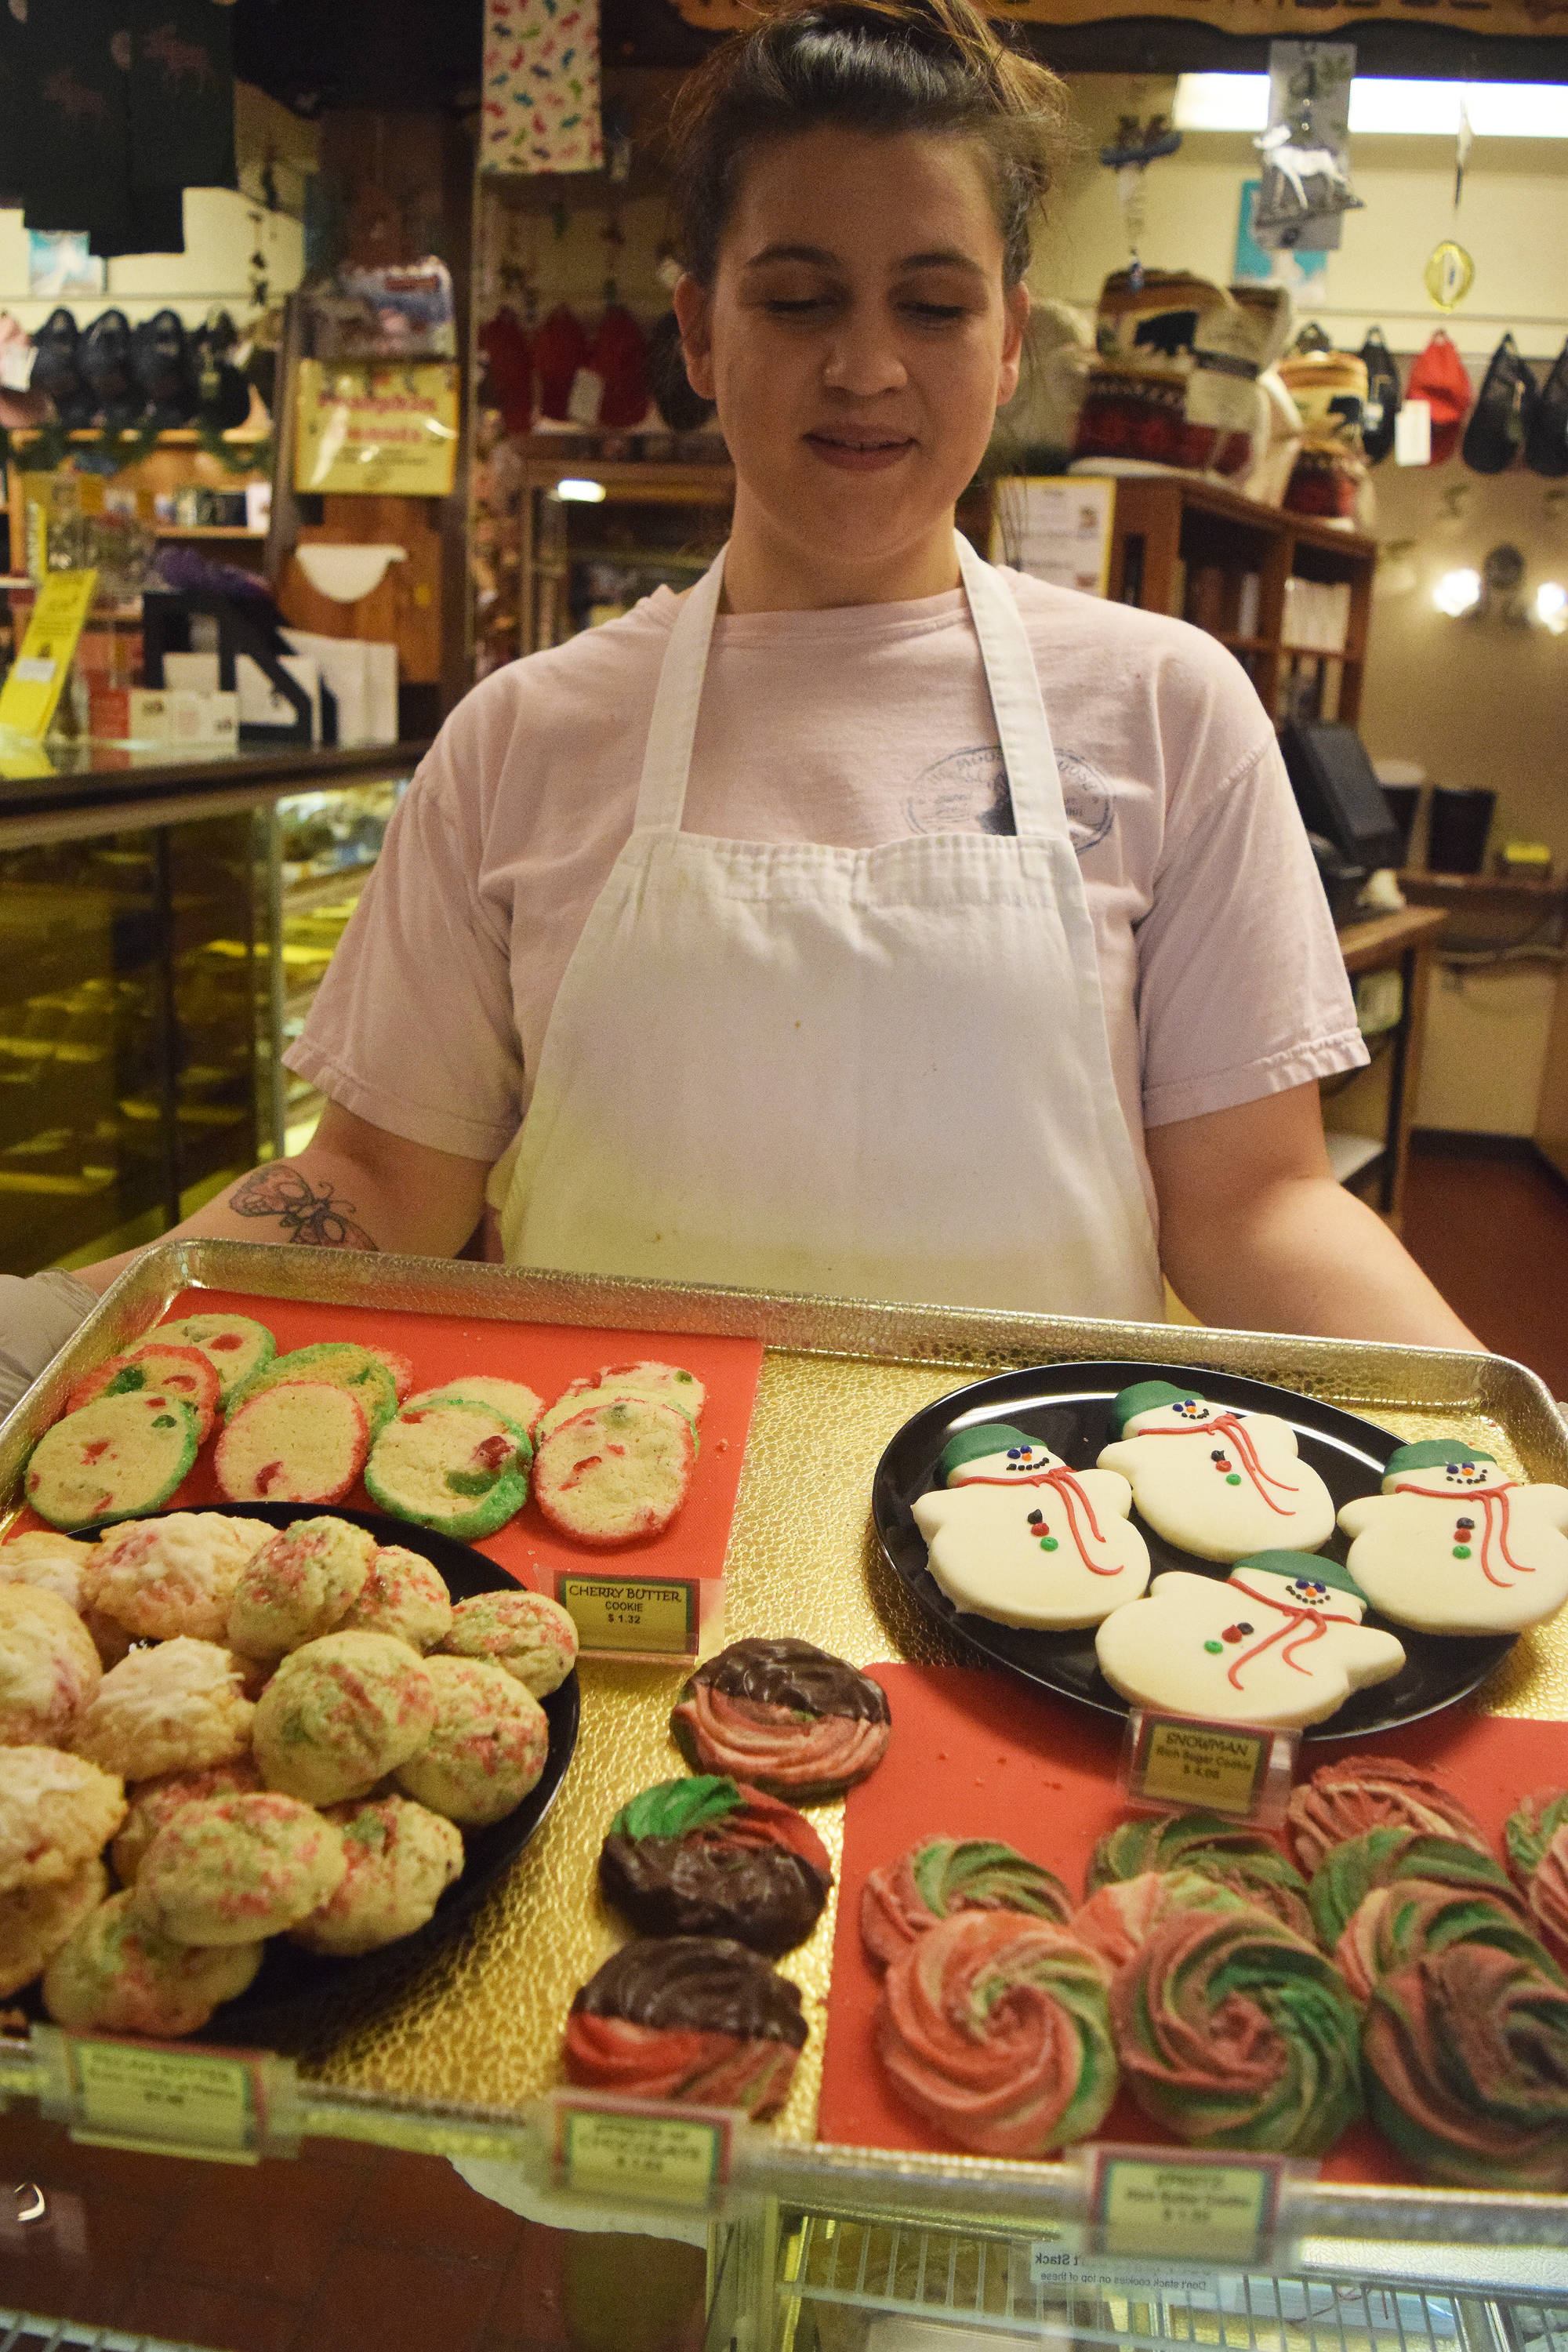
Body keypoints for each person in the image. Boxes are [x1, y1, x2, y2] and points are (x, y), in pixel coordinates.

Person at [0, 0, 1478, 1417]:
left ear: (1010, 340)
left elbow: (1257, 1204)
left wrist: (1517, 1447)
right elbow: (383, 1182)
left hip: (1036, 1555)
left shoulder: (1167, 707)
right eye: (799, 296)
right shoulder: (526, 737)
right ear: (701, 333)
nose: (867, 365)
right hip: (599, 1563)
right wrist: (68, 1325)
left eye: (934, 303)